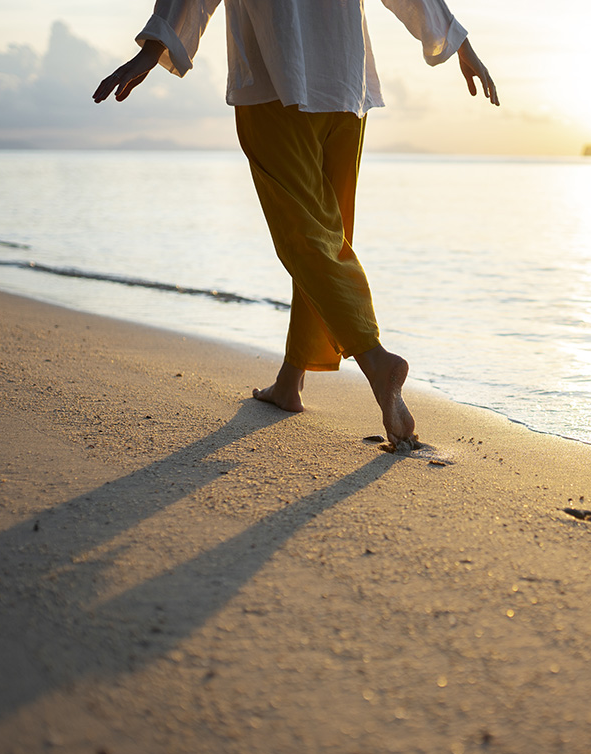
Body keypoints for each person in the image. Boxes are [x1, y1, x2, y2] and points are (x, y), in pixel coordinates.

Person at [94, 1, 498, 449]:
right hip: (345, 81)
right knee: (326, 240)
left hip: (275, 77)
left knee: (309, 241)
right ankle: (290, 382)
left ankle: (375, 360)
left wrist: (154, 48)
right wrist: (458, 41)